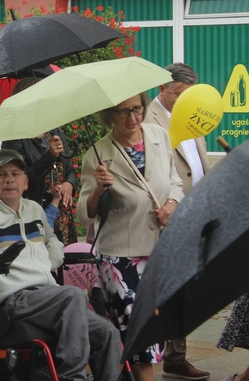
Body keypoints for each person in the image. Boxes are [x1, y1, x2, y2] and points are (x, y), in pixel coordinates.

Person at [0, 148, 122, 381]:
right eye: (1, 174)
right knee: (72, 295)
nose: (9, 180)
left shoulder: (33, 210)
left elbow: (51, 240)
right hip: (13, 298)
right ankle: (71, 376)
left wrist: (49, 261)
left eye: (15, 174)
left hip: (46, 296)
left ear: (25, 182)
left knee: (107, 332)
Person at [77, 93, 184, 381]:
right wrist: (98, 188)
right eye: (123, 112)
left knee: (155, 328)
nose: (132, 118)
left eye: (136, 109)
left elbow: (175, 182)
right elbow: (84, 212)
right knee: (140, 337)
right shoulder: (97, 154)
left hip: (159, 251)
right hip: (120, 258)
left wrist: (172, 205)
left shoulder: (159, 137)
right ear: (109, 115)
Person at [143, 63, 210, 380]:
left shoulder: (193, 116)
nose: (184, 99)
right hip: (164, 216)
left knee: (184, 288)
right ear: (162, 89)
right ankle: (152, 357)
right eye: (178, 94)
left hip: (194, 213)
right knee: (164, 288)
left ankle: (175, 356)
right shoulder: (147, 120)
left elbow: (197, 164)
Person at [3, 78, 78, 245]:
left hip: (60, 213)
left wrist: (69, 184)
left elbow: (70, 167)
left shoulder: (54, 130)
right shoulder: (14, 136)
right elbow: (20, 178)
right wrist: (49, 156)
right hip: (34, 211)